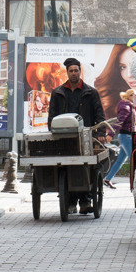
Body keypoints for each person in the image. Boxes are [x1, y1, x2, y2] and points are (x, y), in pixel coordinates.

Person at [48, 57, 106, 215]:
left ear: (80, 72)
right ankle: (70, 201)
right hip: (63, 139)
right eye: (71, 71)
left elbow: (99, 114)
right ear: (66, 73)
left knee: (86, 167)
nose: (74, 73)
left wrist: (101, 133)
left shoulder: (91, 92)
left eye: (76, 70)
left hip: (85, 138)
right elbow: (51, 115)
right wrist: (52, 130)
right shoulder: (58, 93)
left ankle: (86, 201)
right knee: (65, 167)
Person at [104, 88, 136, 189]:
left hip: (125, 136)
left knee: (120, 160)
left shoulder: (129, 106)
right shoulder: (126, 107)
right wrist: (110, 134)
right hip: (126, 136)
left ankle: (108, 179)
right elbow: (119, 122)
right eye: (135, 96)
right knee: (134, 159)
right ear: (130, 96)